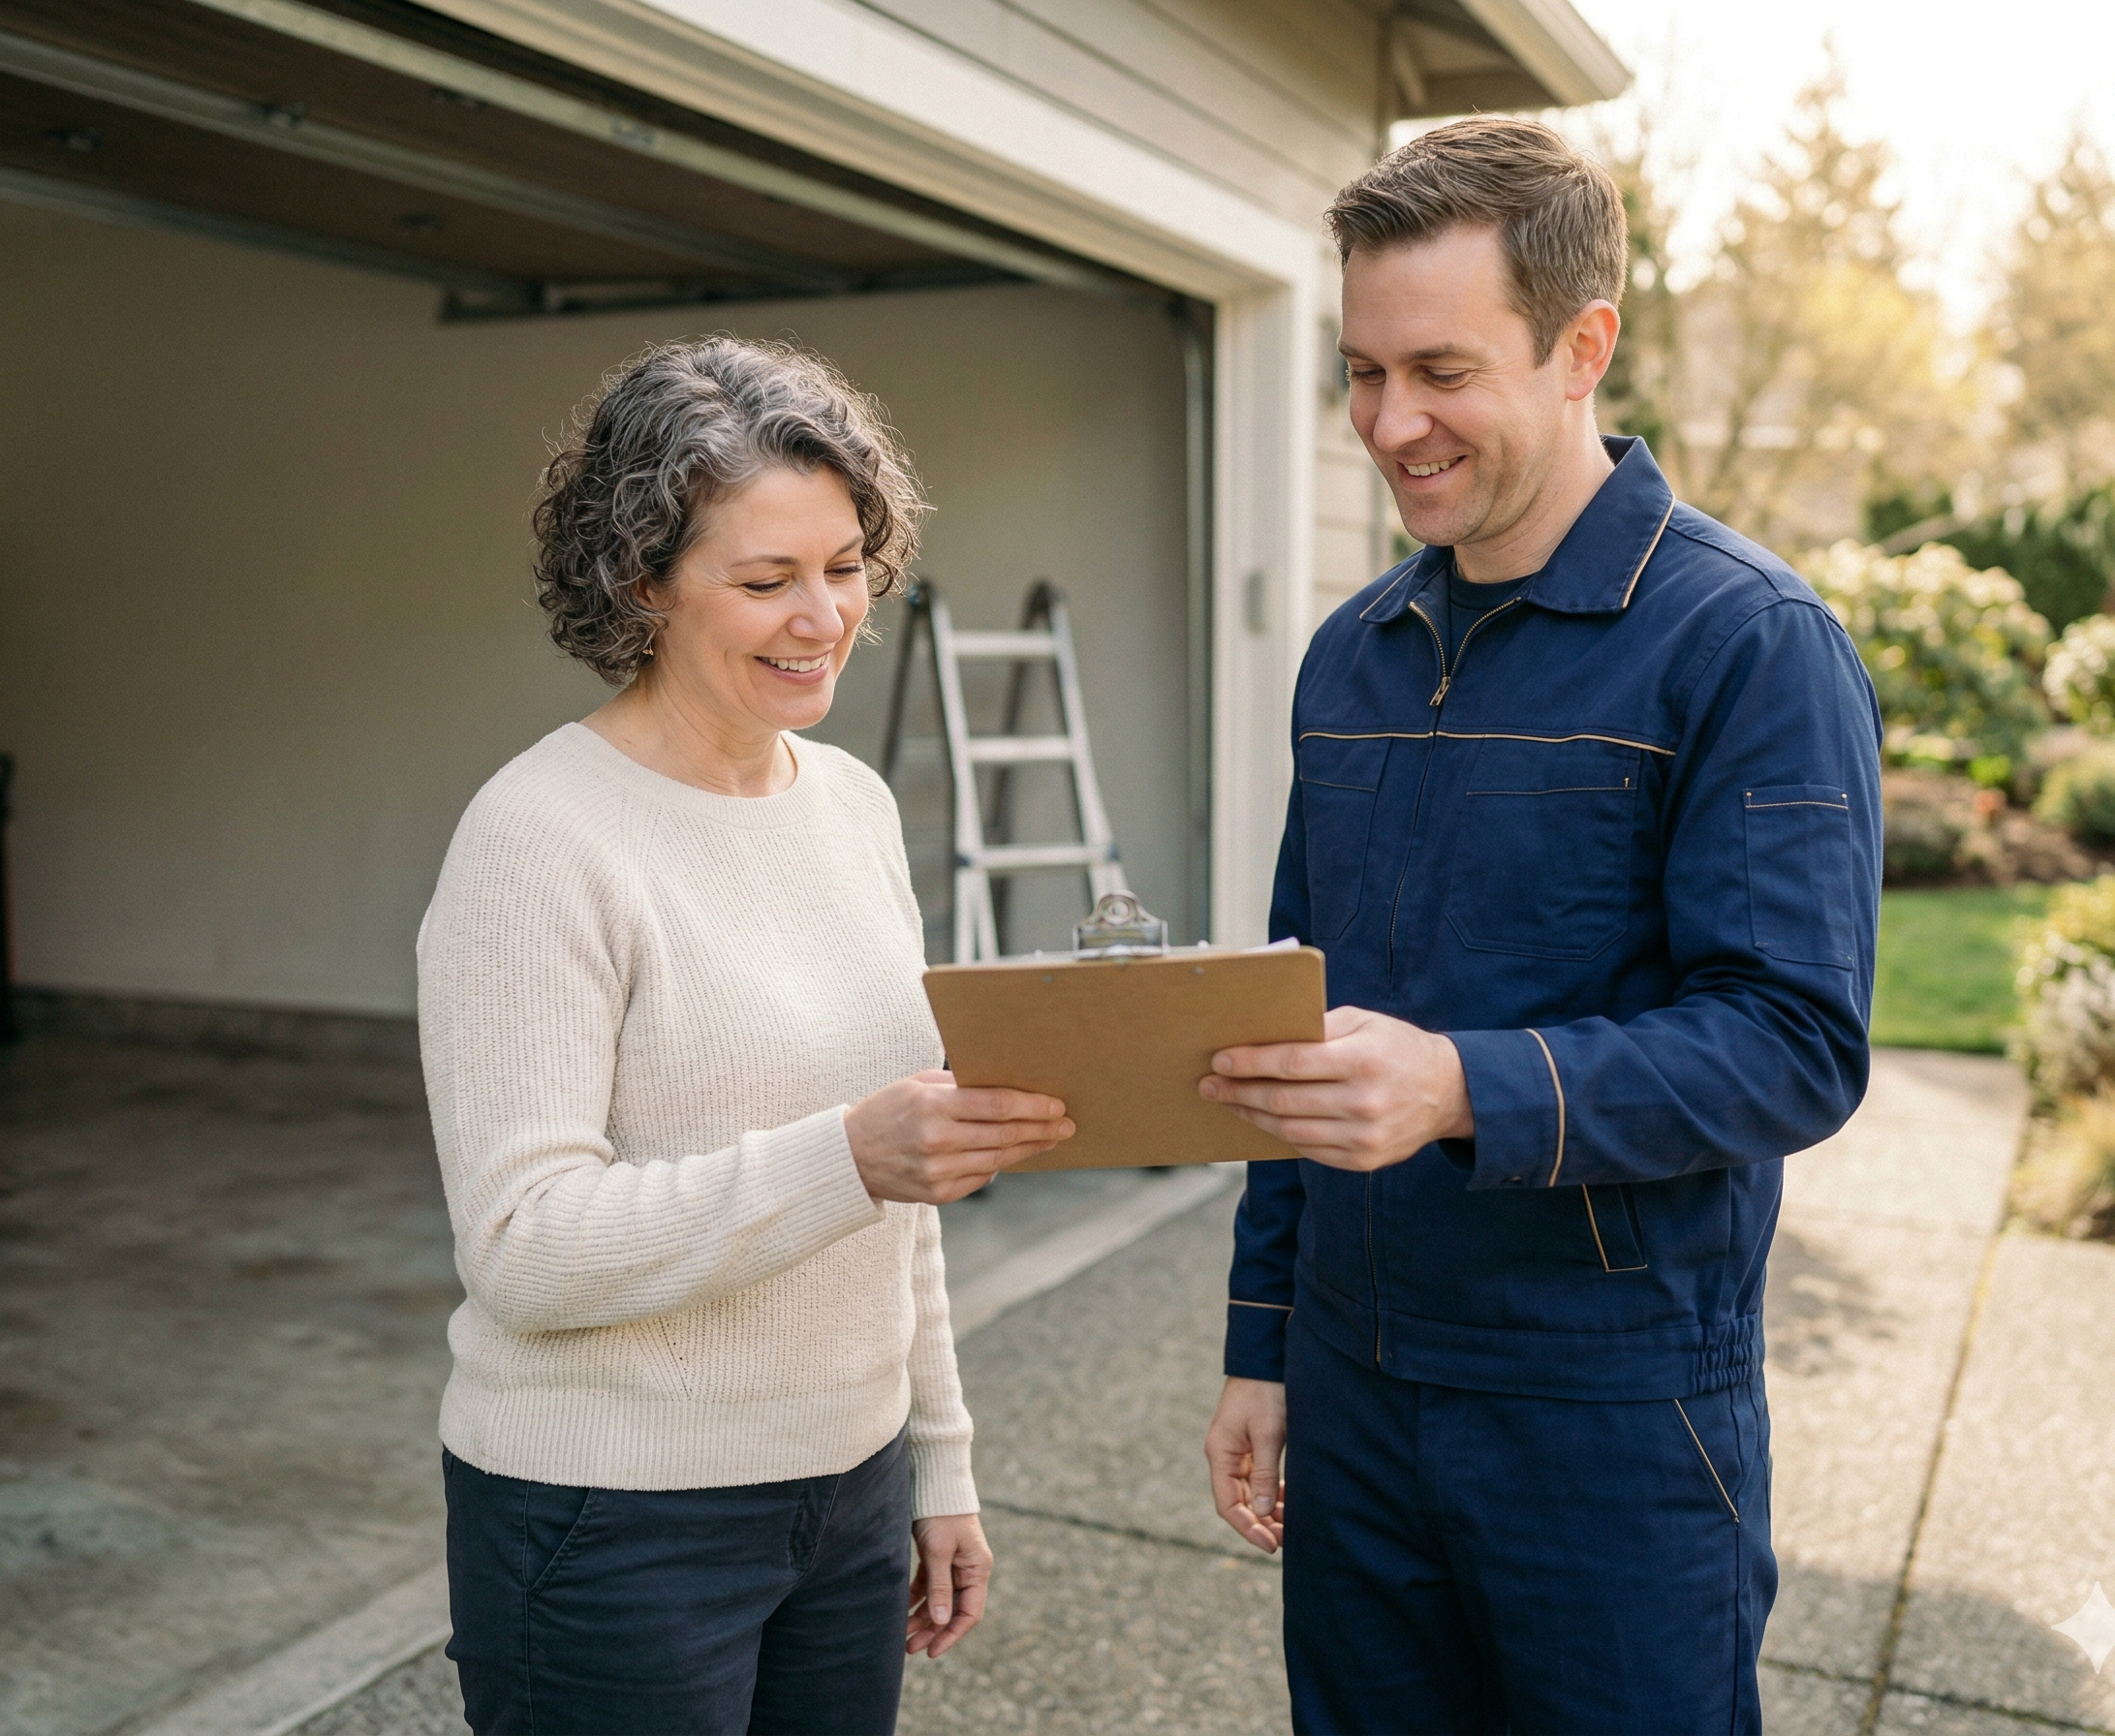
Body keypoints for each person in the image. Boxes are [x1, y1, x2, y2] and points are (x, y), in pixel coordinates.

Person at [1197, 117, 1882, 1733]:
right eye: (1362, 374)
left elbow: (1796, 1045)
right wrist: (1264, 1342)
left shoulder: (1749, 646)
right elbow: (1297, 1024)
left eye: (1441, 369)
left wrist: (1457, 1088)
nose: (1390, 423)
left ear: (1586, 349)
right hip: (1359, 1395)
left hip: (1615, 1412)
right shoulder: (1349, 657)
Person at [417, 336, 1073, 1734]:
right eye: (765, 580)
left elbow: (907, 1190)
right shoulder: (538, 840)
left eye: (845, 566)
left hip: (849, 1497)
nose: (822, 616)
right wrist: (850, 1155)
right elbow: (523, 1246)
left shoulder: (852, 807)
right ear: (640, 580)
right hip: (609, 1528)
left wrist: (937, 1462)